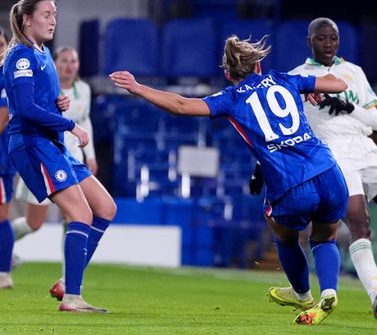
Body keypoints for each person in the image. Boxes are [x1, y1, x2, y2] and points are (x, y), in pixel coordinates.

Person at [110, 34, 349, 326]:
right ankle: (329, 291)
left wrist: (137, 87)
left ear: (227, 74)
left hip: (292, 182)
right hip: (328, 171)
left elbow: (181, 106)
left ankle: (302, 295)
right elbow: (340, 84)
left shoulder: (231, 98)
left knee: (281, 231)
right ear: (259, 67)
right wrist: (312, 89)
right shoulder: (286, 79)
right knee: (325, 237)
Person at [284, 17, 377, 319]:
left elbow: (375, 122)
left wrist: (347, 107)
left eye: (333, 38)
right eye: (321, 38)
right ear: (309, 41)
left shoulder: (354, 72)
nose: (328, 44)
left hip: (367, 152)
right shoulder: (296, 78)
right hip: (332, 155)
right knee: (360, 225)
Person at [4, 0, 116, 312]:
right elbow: (24, 108)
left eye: (55, 14)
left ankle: (68, 282)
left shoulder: (42, 54)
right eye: (45, 15)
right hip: (33, 144)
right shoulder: (22, 57)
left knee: (105, 207)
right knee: (79, 214)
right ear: (27, 19)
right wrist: (69, 124)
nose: (52, 20)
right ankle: (72, 297)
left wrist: (58, 104)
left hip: (52, 144)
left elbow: (39, 101)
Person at [11, 46, 100, 299]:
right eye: (64, 61)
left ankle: (68, 280)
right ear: (55, 63)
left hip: (73, 160)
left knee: (75, 218)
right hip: (47, 157)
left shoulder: (83, 90)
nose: (69, 66)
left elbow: (86, 121)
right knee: (33, 223)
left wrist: (90, 155)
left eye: (74, 61)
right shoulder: (44, 85)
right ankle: (4, 244)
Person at [0, 27, 15, 289]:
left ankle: (3, 273)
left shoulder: (5, 76)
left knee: (1, 216)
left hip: (1, 160)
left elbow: (2, 118)